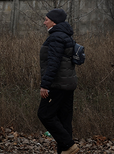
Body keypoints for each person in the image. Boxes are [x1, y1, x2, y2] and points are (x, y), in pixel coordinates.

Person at [38, 8, 79, 154]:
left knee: (44, 114)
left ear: (54, 22)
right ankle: (66, 151)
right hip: (68, 84)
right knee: (64, 119)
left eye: (46, 19)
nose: (44, 22)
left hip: (58, 84)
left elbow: (53, 63)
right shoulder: (66, 35)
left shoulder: (56, 37)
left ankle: (68, 145)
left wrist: (45, 85)